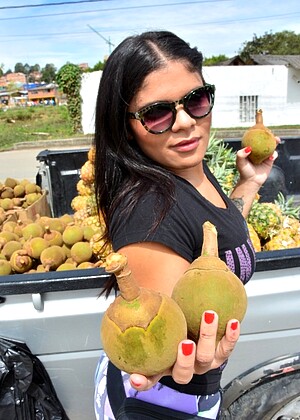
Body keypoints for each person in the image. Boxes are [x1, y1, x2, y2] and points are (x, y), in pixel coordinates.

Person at [93, 31, 278, 419]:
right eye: (156, 113)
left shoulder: (189, 167)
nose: (184, 123)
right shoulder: (149, 210)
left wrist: (249, 183)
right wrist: (182, 359)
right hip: (159, 404)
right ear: (126, 125)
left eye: (196, 100)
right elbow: (161, 351)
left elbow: (213, 236)